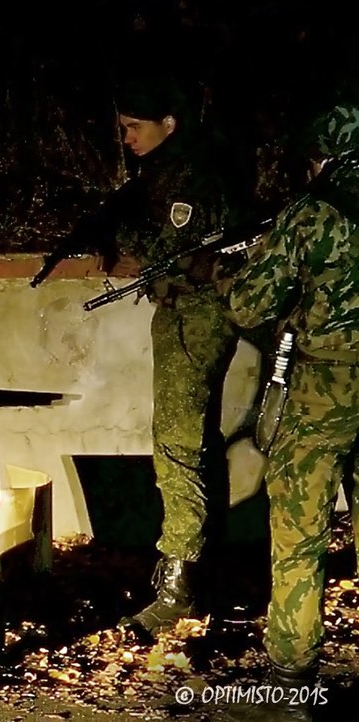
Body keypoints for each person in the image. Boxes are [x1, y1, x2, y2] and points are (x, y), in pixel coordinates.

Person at [220, 103, 359, 722]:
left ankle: (290, 685)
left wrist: (229, 272)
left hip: (322, 390)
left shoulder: (310, 215)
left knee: (299, 535)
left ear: (322, 157)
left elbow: (248, 306)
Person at [94, 74, 245, 638]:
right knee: (189, 442)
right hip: (183, 309)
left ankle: (179, 582)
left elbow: (179, 246)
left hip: (198, 312)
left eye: (135, 127)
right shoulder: (167, 171)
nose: (127, 138)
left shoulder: (191, 175)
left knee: (179, 443)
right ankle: (198, 568)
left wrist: (126, 239)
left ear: (169, 124)